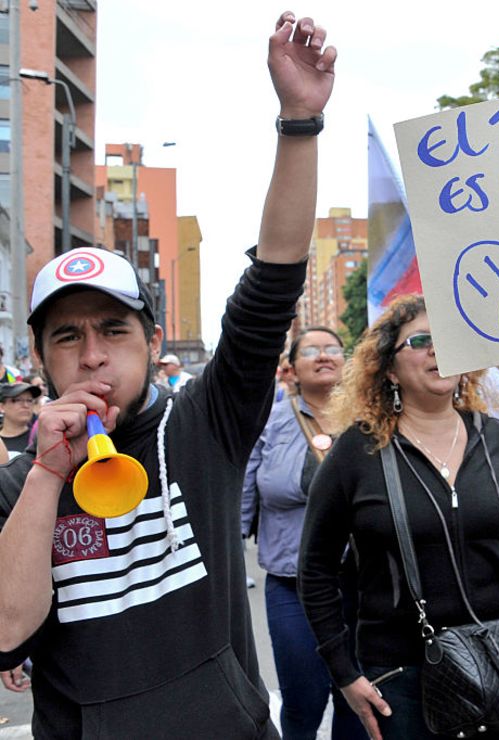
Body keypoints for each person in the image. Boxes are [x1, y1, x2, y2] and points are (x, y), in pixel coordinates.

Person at [0, 13, 335, 737]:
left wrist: (299, 123)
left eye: (114, 331)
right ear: (40, 360)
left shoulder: (202, 423)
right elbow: (6, 634)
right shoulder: (17, 481)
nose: (93, 355)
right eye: (68, 338)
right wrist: (45, 478)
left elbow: (273, 280)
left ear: (153, 344)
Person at [298, 295, 499, 740]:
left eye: (447, 340)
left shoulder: (496, 438)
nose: (437, 350)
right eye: (421, 340)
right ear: (388, 369)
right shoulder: (357, 451)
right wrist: (345, 673)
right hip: (403, 676)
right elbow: (315, 568)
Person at [241, 326, 366, 740]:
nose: (324, 355)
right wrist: (227, 549)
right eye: (311, 350)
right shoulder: (270, 420)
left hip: (366, 585)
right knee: (304, 699)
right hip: (291, 581)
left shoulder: (370, 418)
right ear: (291, 367)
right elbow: (246, 490)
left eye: (333, 349)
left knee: (361, 701)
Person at [0, 382, 43, 459]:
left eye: (29, 400)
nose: (25, 405)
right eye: (17, 400)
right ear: (2, 407)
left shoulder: (40, 438)